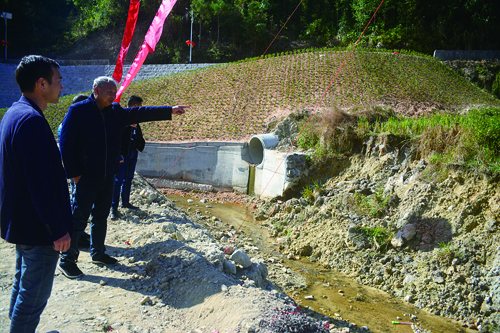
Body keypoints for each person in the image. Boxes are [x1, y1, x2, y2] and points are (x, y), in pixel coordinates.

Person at [58, 76, 189, 279]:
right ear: (96, 90)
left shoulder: (115, 112)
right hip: (86, 177)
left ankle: (98, 254)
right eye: (109, 91)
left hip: (107, 175)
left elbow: (141, 112)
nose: (113, 95)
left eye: (114, 91)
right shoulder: (79, 111)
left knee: (101, 217)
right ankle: (67, 260)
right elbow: (65, 144)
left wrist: (169, 109)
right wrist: (75, 175)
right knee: (78, 219)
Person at [0, 55, 72, 332]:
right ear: (41, 83)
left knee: (23, 283)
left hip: (23, 222)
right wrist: (56, 230)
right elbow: (39, 184)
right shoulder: (30, 121)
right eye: (58, 80)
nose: (61, 86)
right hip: (38, 228)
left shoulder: (14, 113)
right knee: (34, 294)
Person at [57, 94, 92, 249]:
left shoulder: (72, 120)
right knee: (76, 202)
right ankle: (74, 236)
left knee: (77, 201)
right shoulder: (69, 123)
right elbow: (67, 150)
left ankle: (78, 233)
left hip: (78, 170)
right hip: (76, 171)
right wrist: (76, 174)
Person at [110, 95, 146, 220]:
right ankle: (113, 208)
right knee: (118, 180)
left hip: (132, 153)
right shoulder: (121, 116)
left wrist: (138, 147)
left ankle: (126, 202)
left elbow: (139, 136)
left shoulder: (136, 120)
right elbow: (113, 134)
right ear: (134, 106)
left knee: (128, 178)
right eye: (139, 106)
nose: (140, 109)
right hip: (122, 154)